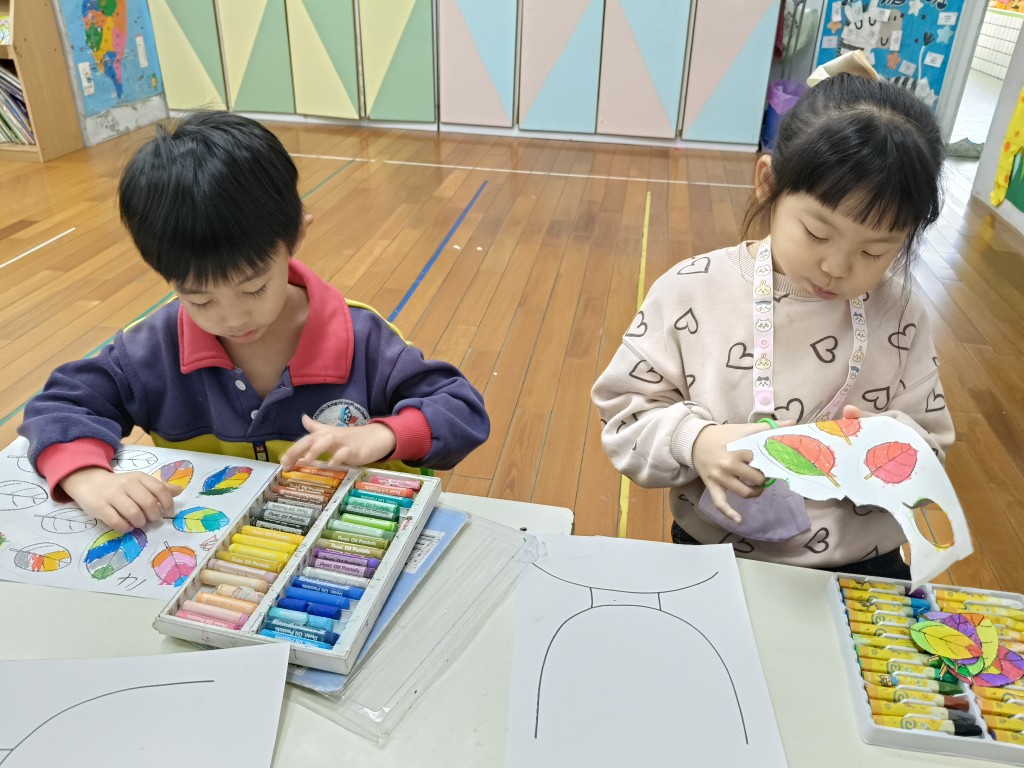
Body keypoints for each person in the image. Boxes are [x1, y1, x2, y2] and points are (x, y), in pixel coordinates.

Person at [19, 111, 489, 533]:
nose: (232, 317)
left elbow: (461, 410)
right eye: (200, 298)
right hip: (224, 550)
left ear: (296, 236)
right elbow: (59, 406)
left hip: (361, 539)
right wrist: (87, 477)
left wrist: (384, 435)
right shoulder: (152, 349)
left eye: (254, 288)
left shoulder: (362, 338)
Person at [591, 53, 953, 579]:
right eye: (817, 233)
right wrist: (696, 441)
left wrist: (891, 450)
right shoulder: (692, 290)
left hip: (862, 565)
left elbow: (932, 447)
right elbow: (624, 416)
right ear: (768, 182)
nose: (837, 266)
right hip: (715, 554)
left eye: (874, 252)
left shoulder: (900, 315)